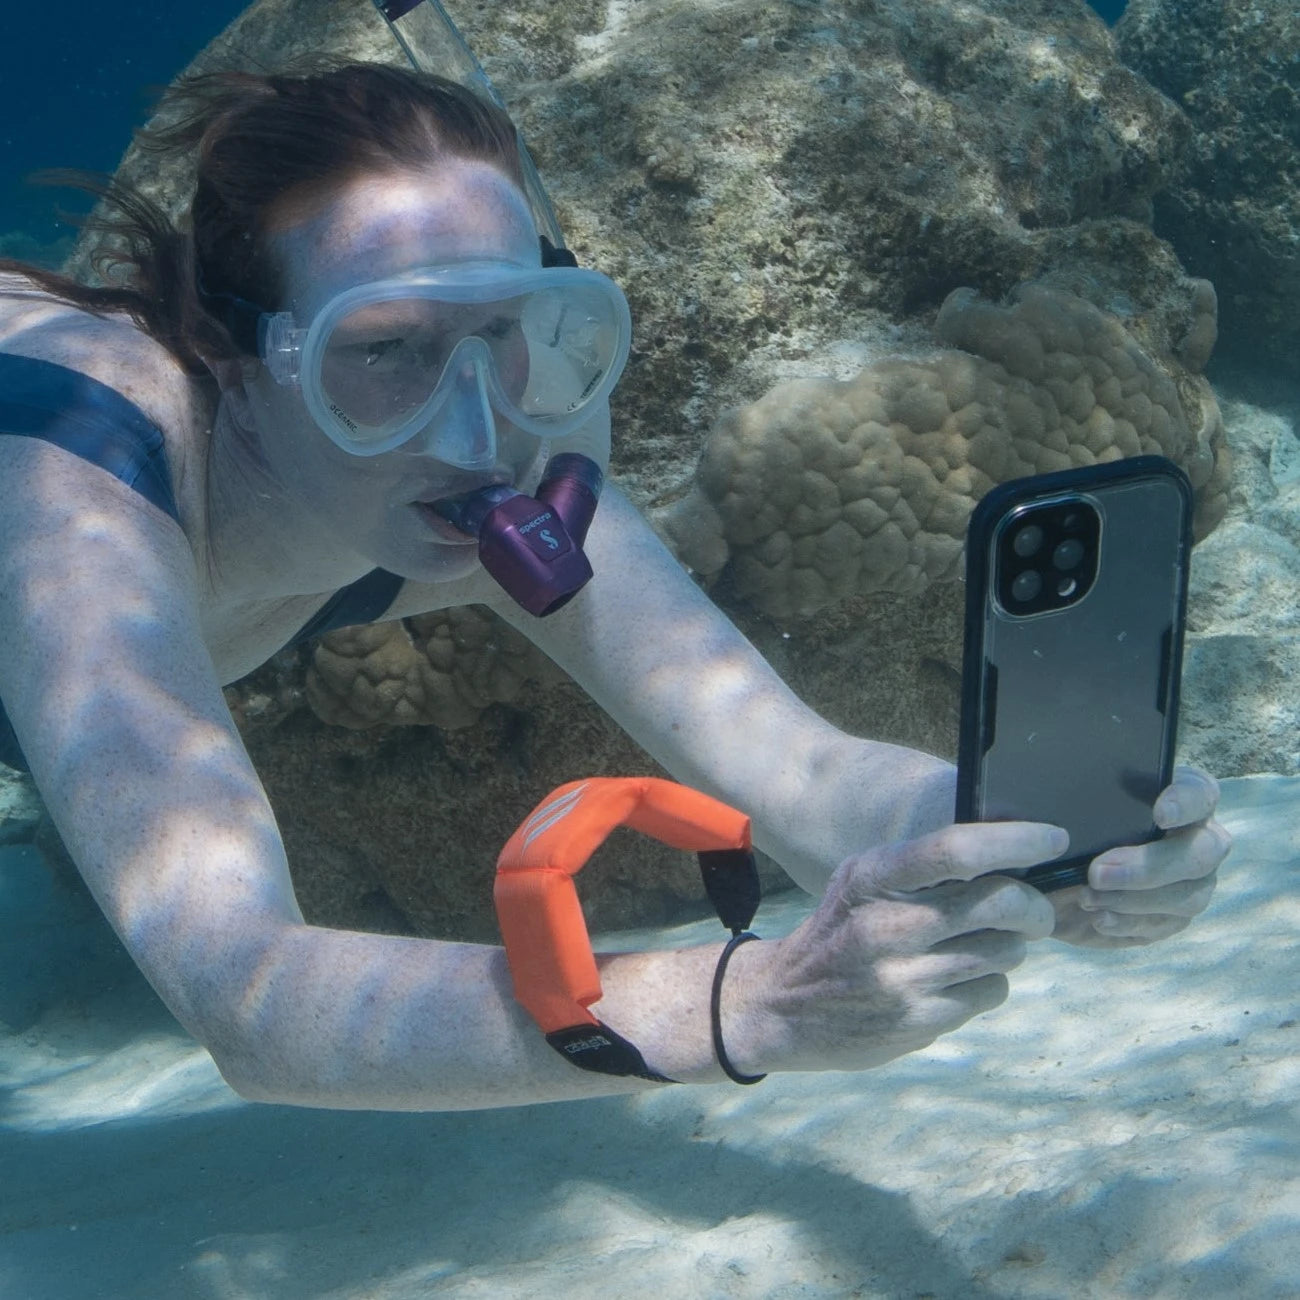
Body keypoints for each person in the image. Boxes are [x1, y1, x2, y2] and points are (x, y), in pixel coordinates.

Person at [0, 64, 1228, 1110]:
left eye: (515, 328)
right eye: (385, 350)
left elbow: (798, 774)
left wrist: (1035, 841)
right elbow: (251, 997)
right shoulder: (73, 487)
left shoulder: (485, 466)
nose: (477, 431)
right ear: (236, 353)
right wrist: (751, 1003)